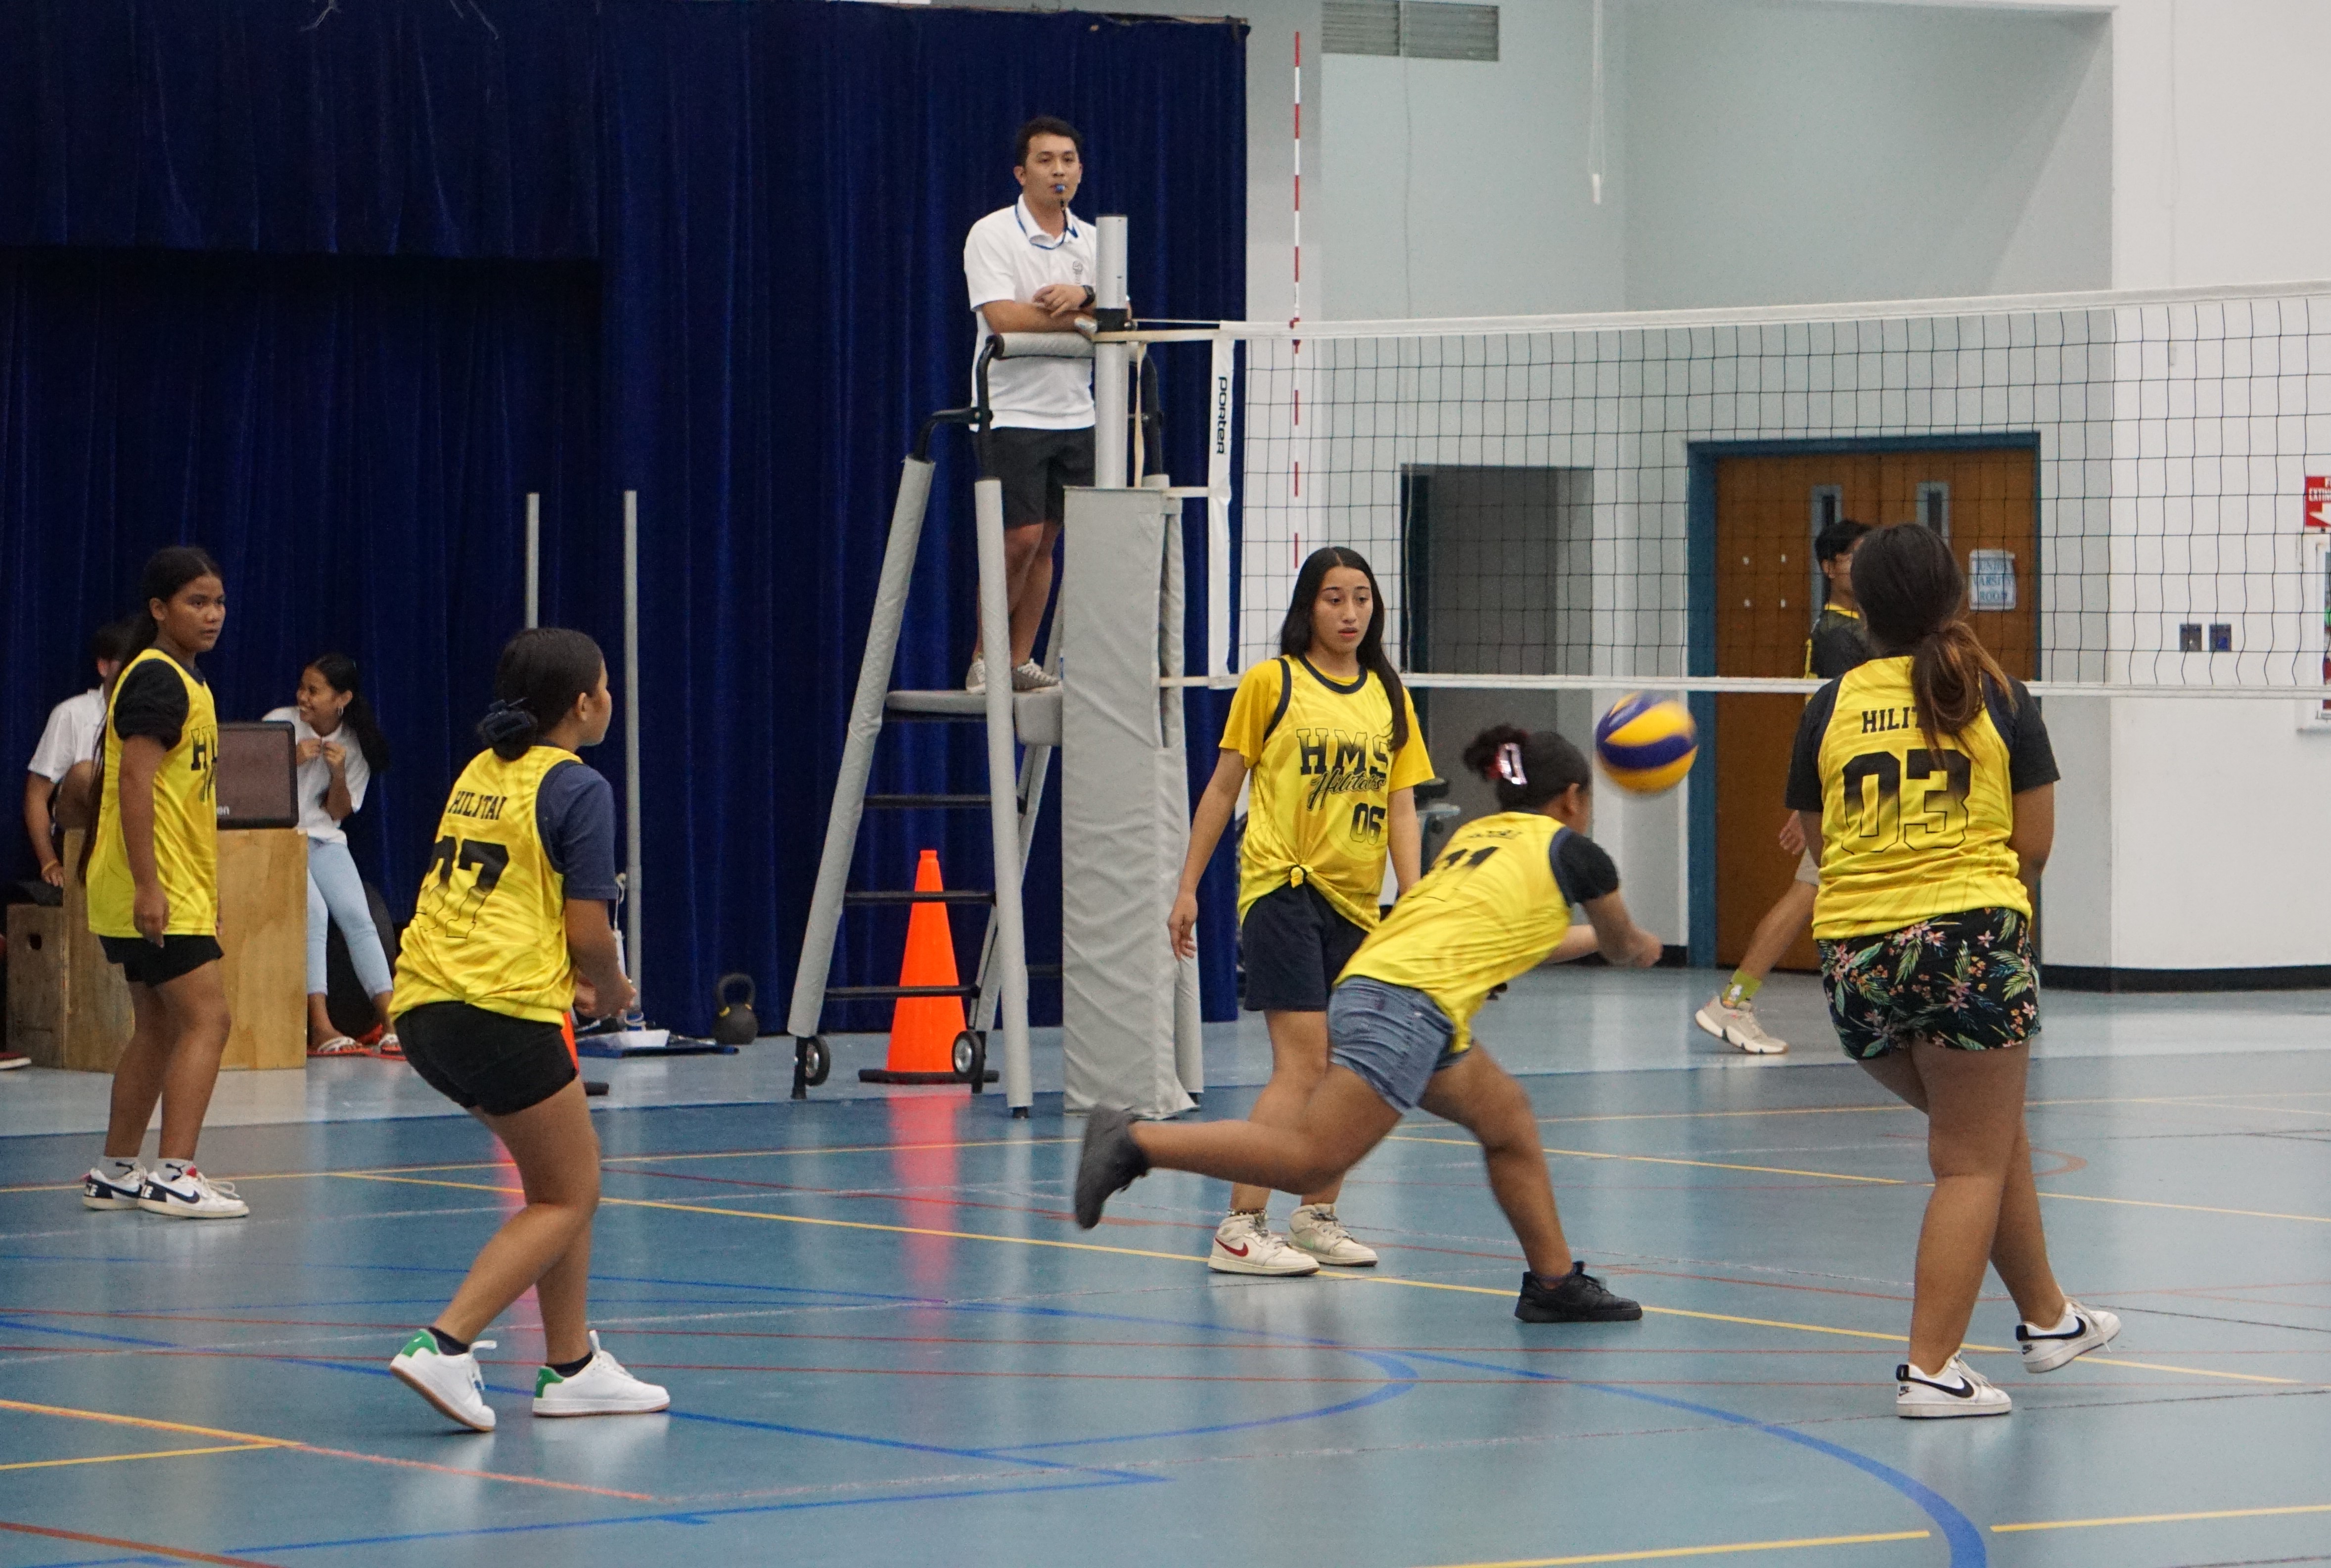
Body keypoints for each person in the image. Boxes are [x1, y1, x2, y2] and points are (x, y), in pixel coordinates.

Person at [1086, 725, 1664, 1323]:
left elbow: (1523, 936)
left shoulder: (1481, 836)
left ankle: (1554, 1281)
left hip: (1384, 987)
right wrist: (1640, 942)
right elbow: (1620, 944)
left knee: (1507, 1118)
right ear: (1572, 798)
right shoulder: (1575, 853)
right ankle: (1134, 1141)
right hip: (1408, 1006)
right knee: (1311, 1160)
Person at [1785, 522, 2116, 1416]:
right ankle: (1930, 1370)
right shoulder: (1997, 693)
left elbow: (1820, 847)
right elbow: (2033, 848)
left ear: (1861, 605)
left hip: (1851, 958)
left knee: (1986, 1134)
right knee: (1969, 1161)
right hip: (1964, 941)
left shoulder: (1829, 703)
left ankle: (2047, 1318)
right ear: (1953, 596)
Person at [387, 627, 667, 1431]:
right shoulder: (579, 788)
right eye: (605, 685)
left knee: (559, 1186)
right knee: (570, 1193)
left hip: (427, 1007)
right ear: (583, 704)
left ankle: (571, 1365)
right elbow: (588, 932)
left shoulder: (484, 769)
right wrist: (611, 988)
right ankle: (445, 1345)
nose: (610, 697)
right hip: (497, 1010)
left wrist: (570, 980)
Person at [1168, 547, 1431, 1275]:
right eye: (1333, 599)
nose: (1349, 613)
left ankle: (1315, 1215)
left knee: (1350, 1066)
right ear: (1307, 608)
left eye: (1362, 600)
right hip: (1283, 888)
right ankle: (1238, 1225)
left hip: (1358, 901)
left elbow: (1401, 801)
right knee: (1302, 1061)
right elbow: (1223, 789)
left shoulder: (1387, 693)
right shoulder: (1271, 683)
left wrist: (1412, 896)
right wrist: (1188, 883)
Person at [78, 548, 245, 1219]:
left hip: (165, 887)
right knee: (210, 1019)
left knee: (156, 1025)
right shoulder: (156, 679)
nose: (212, 615)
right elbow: (132, 783)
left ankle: (118, 1169)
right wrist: (152, 886)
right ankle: (175, 1171)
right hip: (152, 890)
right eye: (196, 602)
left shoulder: (183, 680)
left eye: (219, 602)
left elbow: (185, 799)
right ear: (158, 609)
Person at [1695, 517, 1874, 1054]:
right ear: (1830, 567)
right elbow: (1828, 722)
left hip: (1859, 786)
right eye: (1855, 557)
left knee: (1832, 892)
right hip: (1847, 787)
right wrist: (1812, 800)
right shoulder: (1838, 636)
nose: (1864, 567)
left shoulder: (1862, 627)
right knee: (1809, 891)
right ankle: (1732, 1001)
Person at [961, 114, 1097, 695]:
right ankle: (984, 659)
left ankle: (1019, 660)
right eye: (1046, 160)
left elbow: (1122, 316)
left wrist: (1087, 292)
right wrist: (1078, 313)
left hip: (1078, 413)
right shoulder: (992, 234)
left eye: (1067, 159)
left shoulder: (1093, 240)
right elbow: (1003, 315)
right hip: (1012, 412)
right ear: (1023, 172)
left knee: (1048, 542)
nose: (1058, 170)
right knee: (1017, 538)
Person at [264, 654, 399, 1059]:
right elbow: (246, 794)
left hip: (324, 840)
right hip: (279, 841)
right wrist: (291, 759)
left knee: (359, 917)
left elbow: (337, 813)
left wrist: (338, 773)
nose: (302, 697)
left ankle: (391, 1021)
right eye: (302, 688)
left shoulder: (355, 744)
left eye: (313, 691)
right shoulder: (278, 724)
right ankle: (321, 1026)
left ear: (342, 699)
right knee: (315, 914)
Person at [23, 618, 138, 888]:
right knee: (88, 773)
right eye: (126, 663)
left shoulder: (155, 715)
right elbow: (36, 795)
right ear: (103, 666)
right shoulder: (72, 714)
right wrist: (49, 862)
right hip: (78, 832)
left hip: (138, 829)